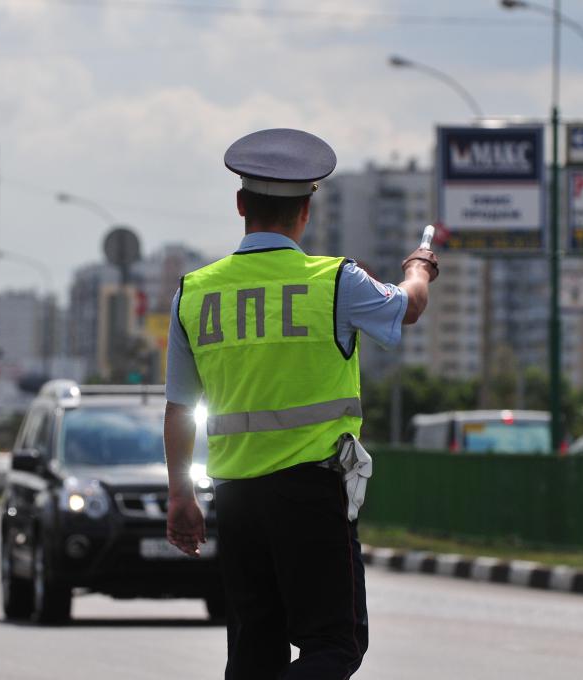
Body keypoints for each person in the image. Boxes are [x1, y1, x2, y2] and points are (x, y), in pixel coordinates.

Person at [163, 128, 437, 679]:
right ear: (307, 210)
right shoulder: (335, 281)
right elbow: (407, 308)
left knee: (253, 651)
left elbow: (177, 409)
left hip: (235, 497)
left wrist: (180, 497)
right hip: (311, 494)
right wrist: (419, 268)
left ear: (241, 204)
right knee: (334, 644)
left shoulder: (195, 292)